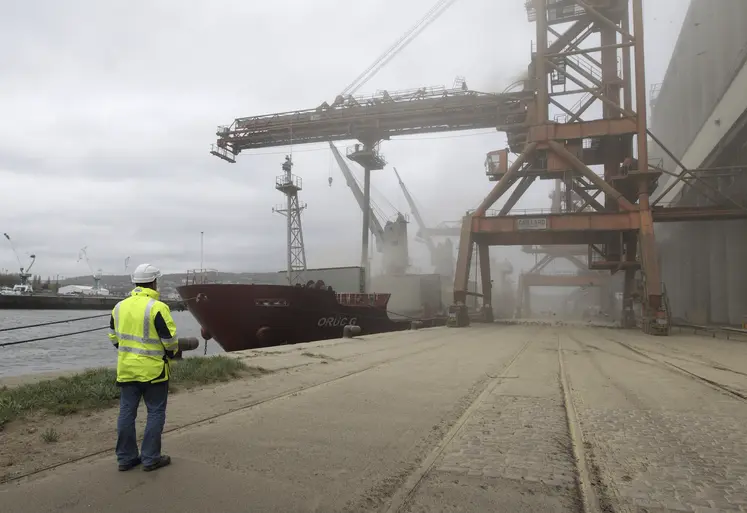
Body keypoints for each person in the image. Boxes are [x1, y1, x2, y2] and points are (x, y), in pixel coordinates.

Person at [108, 263, 179, 472]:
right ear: (154, 282)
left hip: (127, 369)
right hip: (154, 372)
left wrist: (128, 353)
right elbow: (170, 340)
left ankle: (126, 458)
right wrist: (170, 354)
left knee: (126, 412)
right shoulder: (157, 307)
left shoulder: (119, 307)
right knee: (155, 412)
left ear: (135, 282)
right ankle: (150, 458)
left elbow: (113, 337)